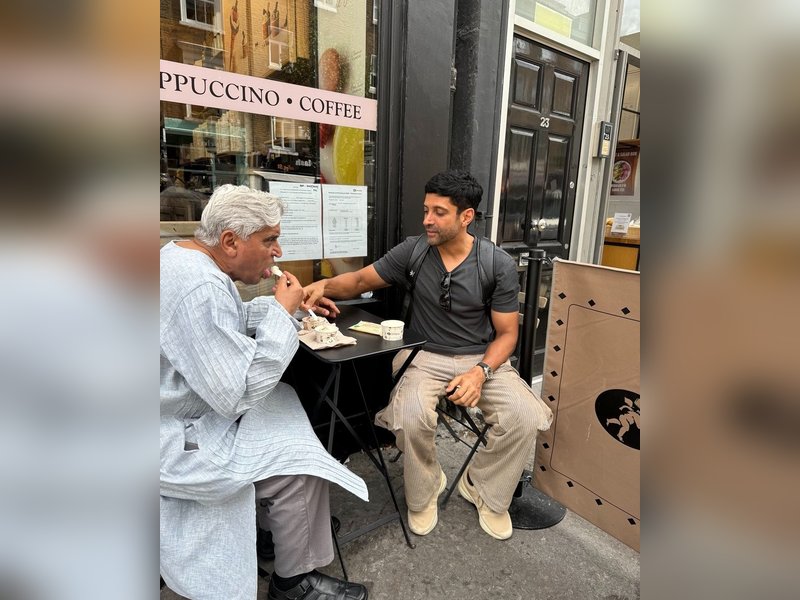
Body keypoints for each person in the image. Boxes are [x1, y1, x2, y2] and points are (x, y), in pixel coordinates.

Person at [303, 170, 553, 540]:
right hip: (423, 355)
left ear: (466, 216)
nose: (427, 220)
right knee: (410, 415)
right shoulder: (415, 250)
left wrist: (480, 372)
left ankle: (482, 486)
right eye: (425, 210)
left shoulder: (496, 263)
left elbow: (507, 335)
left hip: (482, 360)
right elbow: (359, 281)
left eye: (438, 212)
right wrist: (319, 285)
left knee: (526, 415)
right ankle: (426, 489)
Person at [160, 184, 370, 600]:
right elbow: (235, 395)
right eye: (270, 239)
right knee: (298, 463)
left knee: (288, 410)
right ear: (230, 241)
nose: (278, 251)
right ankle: (294, 581)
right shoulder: (199, 286)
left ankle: (283, 530)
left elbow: (225, 323)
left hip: (172, 415)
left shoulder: (181, 256)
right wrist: (279, 313)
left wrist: (286, 309)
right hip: (176, 438)